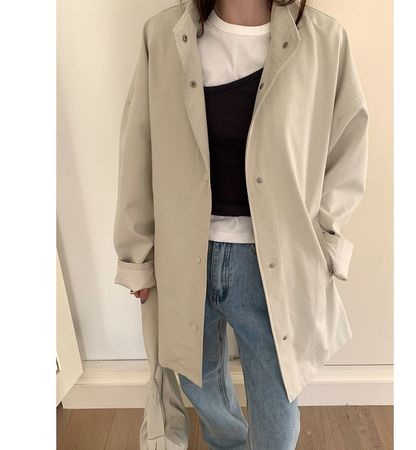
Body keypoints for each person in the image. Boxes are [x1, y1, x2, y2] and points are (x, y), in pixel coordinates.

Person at [113, 0, 369, 449]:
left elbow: (348, 142)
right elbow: (139, 148)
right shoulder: (163, 36)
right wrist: (137, 258)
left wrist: (327, 243)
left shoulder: (323, 40)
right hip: (184, 255)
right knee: (199, 383)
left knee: (277, 410)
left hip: (274, 262)